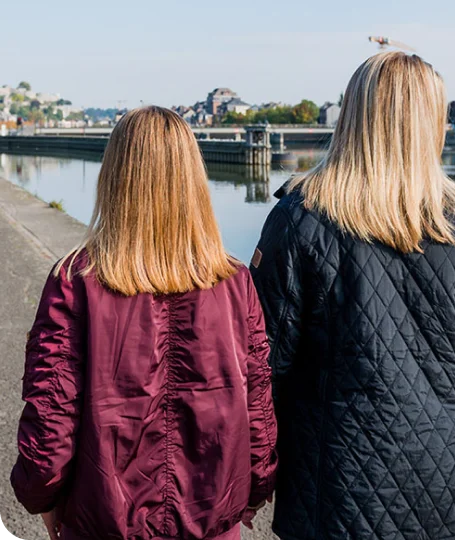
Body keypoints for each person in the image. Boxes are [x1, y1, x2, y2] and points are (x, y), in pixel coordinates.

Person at [251, 51, 455, 540]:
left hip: (332, 490)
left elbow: (264, 364)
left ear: (352, 116)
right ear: (432, 122)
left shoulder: (300, 220)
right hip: (448, 486)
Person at [11, 106, 277, 540]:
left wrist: (42, 496)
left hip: (102, 522)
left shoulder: (74, 282)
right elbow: (257, 401)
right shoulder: (234, 282)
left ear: (114, 178)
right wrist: (258, 485)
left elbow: (51, 414)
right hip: (210, 523)